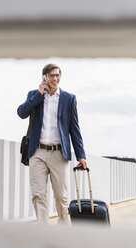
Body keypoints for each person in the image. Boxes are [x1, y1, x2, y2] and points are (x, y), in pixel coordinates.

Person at [17, 63, 87, 224]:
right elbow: (21, 113)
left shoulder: (69, 99)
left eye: (57, 75)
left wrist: (81, 155)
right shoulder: (34, 95)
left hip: (59, 153)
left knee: (61, 196)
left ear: (60, 76)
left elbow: (74, 129)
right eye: (51, 76)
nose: (54, 78)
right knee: (38, 194)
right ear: (44, 78)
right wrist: (39, 95)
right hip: (37, 152)